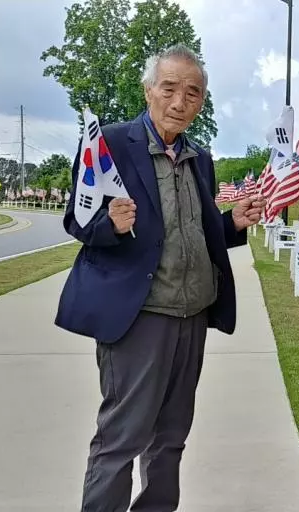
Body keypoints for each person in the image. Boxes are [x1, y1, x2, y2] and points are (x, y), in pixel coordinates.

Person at [54, 43, 265, 512]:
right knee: (121, 440)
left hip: (191, 315)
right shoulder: (108, 143)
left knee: (170, 439)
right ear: (149, 90)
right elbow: (78, 220)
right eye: (169, 88)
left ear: (201, 101)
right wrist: (110, 225)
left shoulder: (199, 157)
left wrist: (233, 223)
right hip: (138, 318)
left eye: (192, 93)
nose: (179, 102)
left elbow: (196, 229)